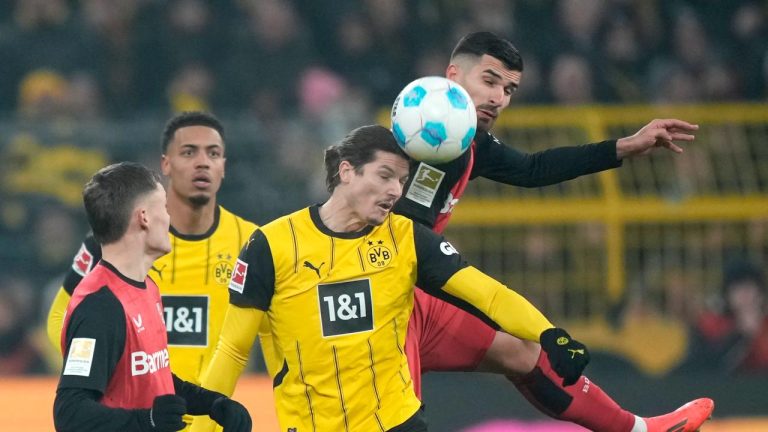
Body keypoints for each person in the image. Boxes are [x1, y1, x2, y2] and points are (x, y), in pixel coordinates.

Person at [392, 32, 713, 431]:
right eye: (489, 82)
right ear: (452, 75)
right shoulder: (410, 140)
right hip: (382, 299)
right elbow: (400, 234)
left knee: (522, 352)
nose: (499, 98)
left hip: (416, 290)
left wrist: (624, 147)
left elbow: (532, 169)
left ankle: (639, 430)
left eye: (509, 89)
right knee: (395, 416)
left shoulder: (468, 139)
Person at [192, 125, 590, 431]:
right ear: (347, 171)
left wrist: (548, 334)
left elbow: (487, 293)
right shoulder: (272, 245)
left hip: (398, 421)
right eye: (384, 176)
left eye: (401, 181)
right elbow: (232, 350)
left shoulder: (406, 239)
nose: (394, 191)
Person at [46, 112, 271, 427]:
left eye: (213, 153)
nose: (202, 162)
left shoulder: (147, 287)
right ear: (144, 218)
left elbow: (157, 374)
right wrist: (144, 417)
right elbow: (70, 413)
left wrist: (213, 404)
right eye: (189, 152)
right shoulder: (101, 305)